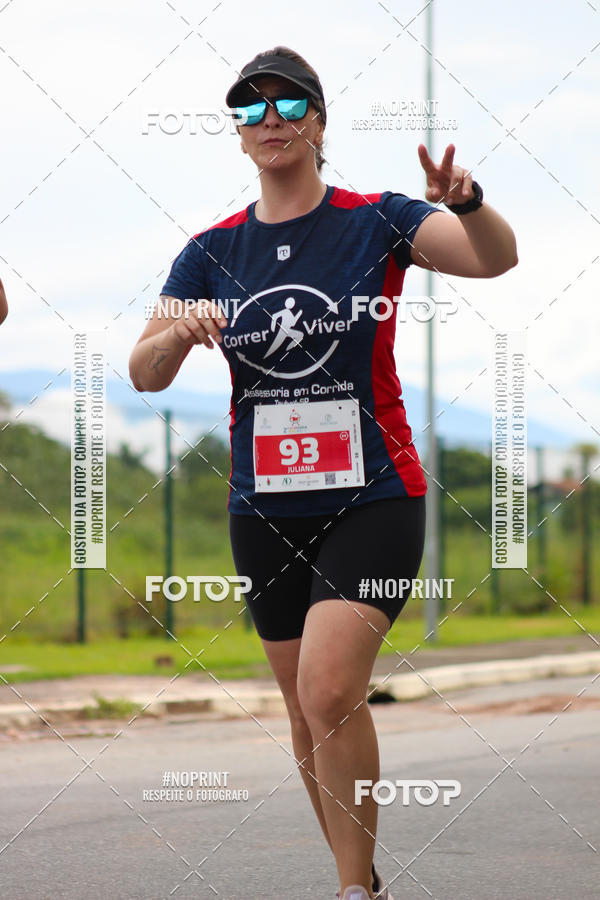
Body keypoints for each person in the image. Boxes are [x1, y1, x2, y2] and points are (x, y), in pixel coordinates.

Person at [129, 45, 518, 900]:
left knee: (331, 684)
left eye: (285, 104)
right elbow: (143, 374)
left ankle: (350, 894)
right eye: (249, 109)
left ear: (317, 119)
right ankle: (360, 879)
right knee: (307, 711)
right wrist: (173, 335)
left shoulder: (375, 219)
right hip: (262, 508)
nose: (268, 121)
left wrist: (471, 204)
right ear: (237, 135)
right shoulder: (209, 251)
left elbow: (494, 259)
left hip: (373, 494)